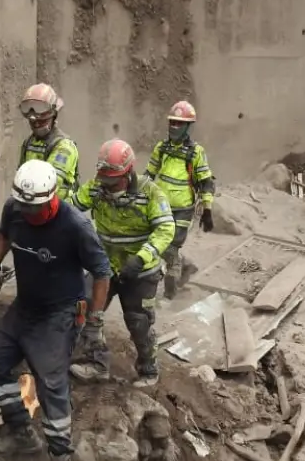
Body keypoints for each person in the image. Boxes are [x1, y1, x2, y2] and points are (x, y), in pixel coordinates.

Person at [0, 160, 112, 461]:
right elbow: (5, 233)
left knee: (52, 385)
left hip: (60, 312)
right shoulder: (15, 208)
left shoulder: (75, 226)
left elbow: (101, 271)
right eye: (24, 206)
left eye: (34, 208)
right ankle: (22, 432)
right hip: (25, 306)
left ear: (50, 199)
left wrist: (95, 319)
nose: (28, 213)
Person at [69, 140, 175, 387]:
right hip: (105, 266)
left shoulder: (151, 193)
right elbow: (71, 208)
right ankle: (97, 363)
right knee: (84, 309)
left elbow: (166, 228)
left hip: (141, 271)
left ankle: (149, 370)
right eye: (103, 178)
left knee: (139, 321)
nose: (106, 184)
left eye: (112, 179)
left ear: (128, 173)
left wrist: (141, 258)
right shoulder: (96, 187)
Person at [145, 101, 216, 299]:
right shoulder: (162, 148)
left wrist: (208, 209)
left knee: (171, 247)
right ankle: (185, 266)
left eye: (179, 123)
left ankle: (170, 295)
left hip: (183, 209)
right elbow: (149, 174)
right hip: (160, 207)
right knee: (159, 244)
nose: (174, 127)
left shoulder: (196, 152)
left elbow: (206, 181)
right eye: (172, 122)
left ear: (187, 127)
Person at [17, 83, 80, 200]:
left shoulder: (64, 146)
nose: (33, 116)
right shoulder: (29, 142)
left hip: (59, 211)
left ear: (53, 113)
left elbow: (50, 183)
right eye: (28, 108)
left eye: (39, 108)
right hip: (33, 206)